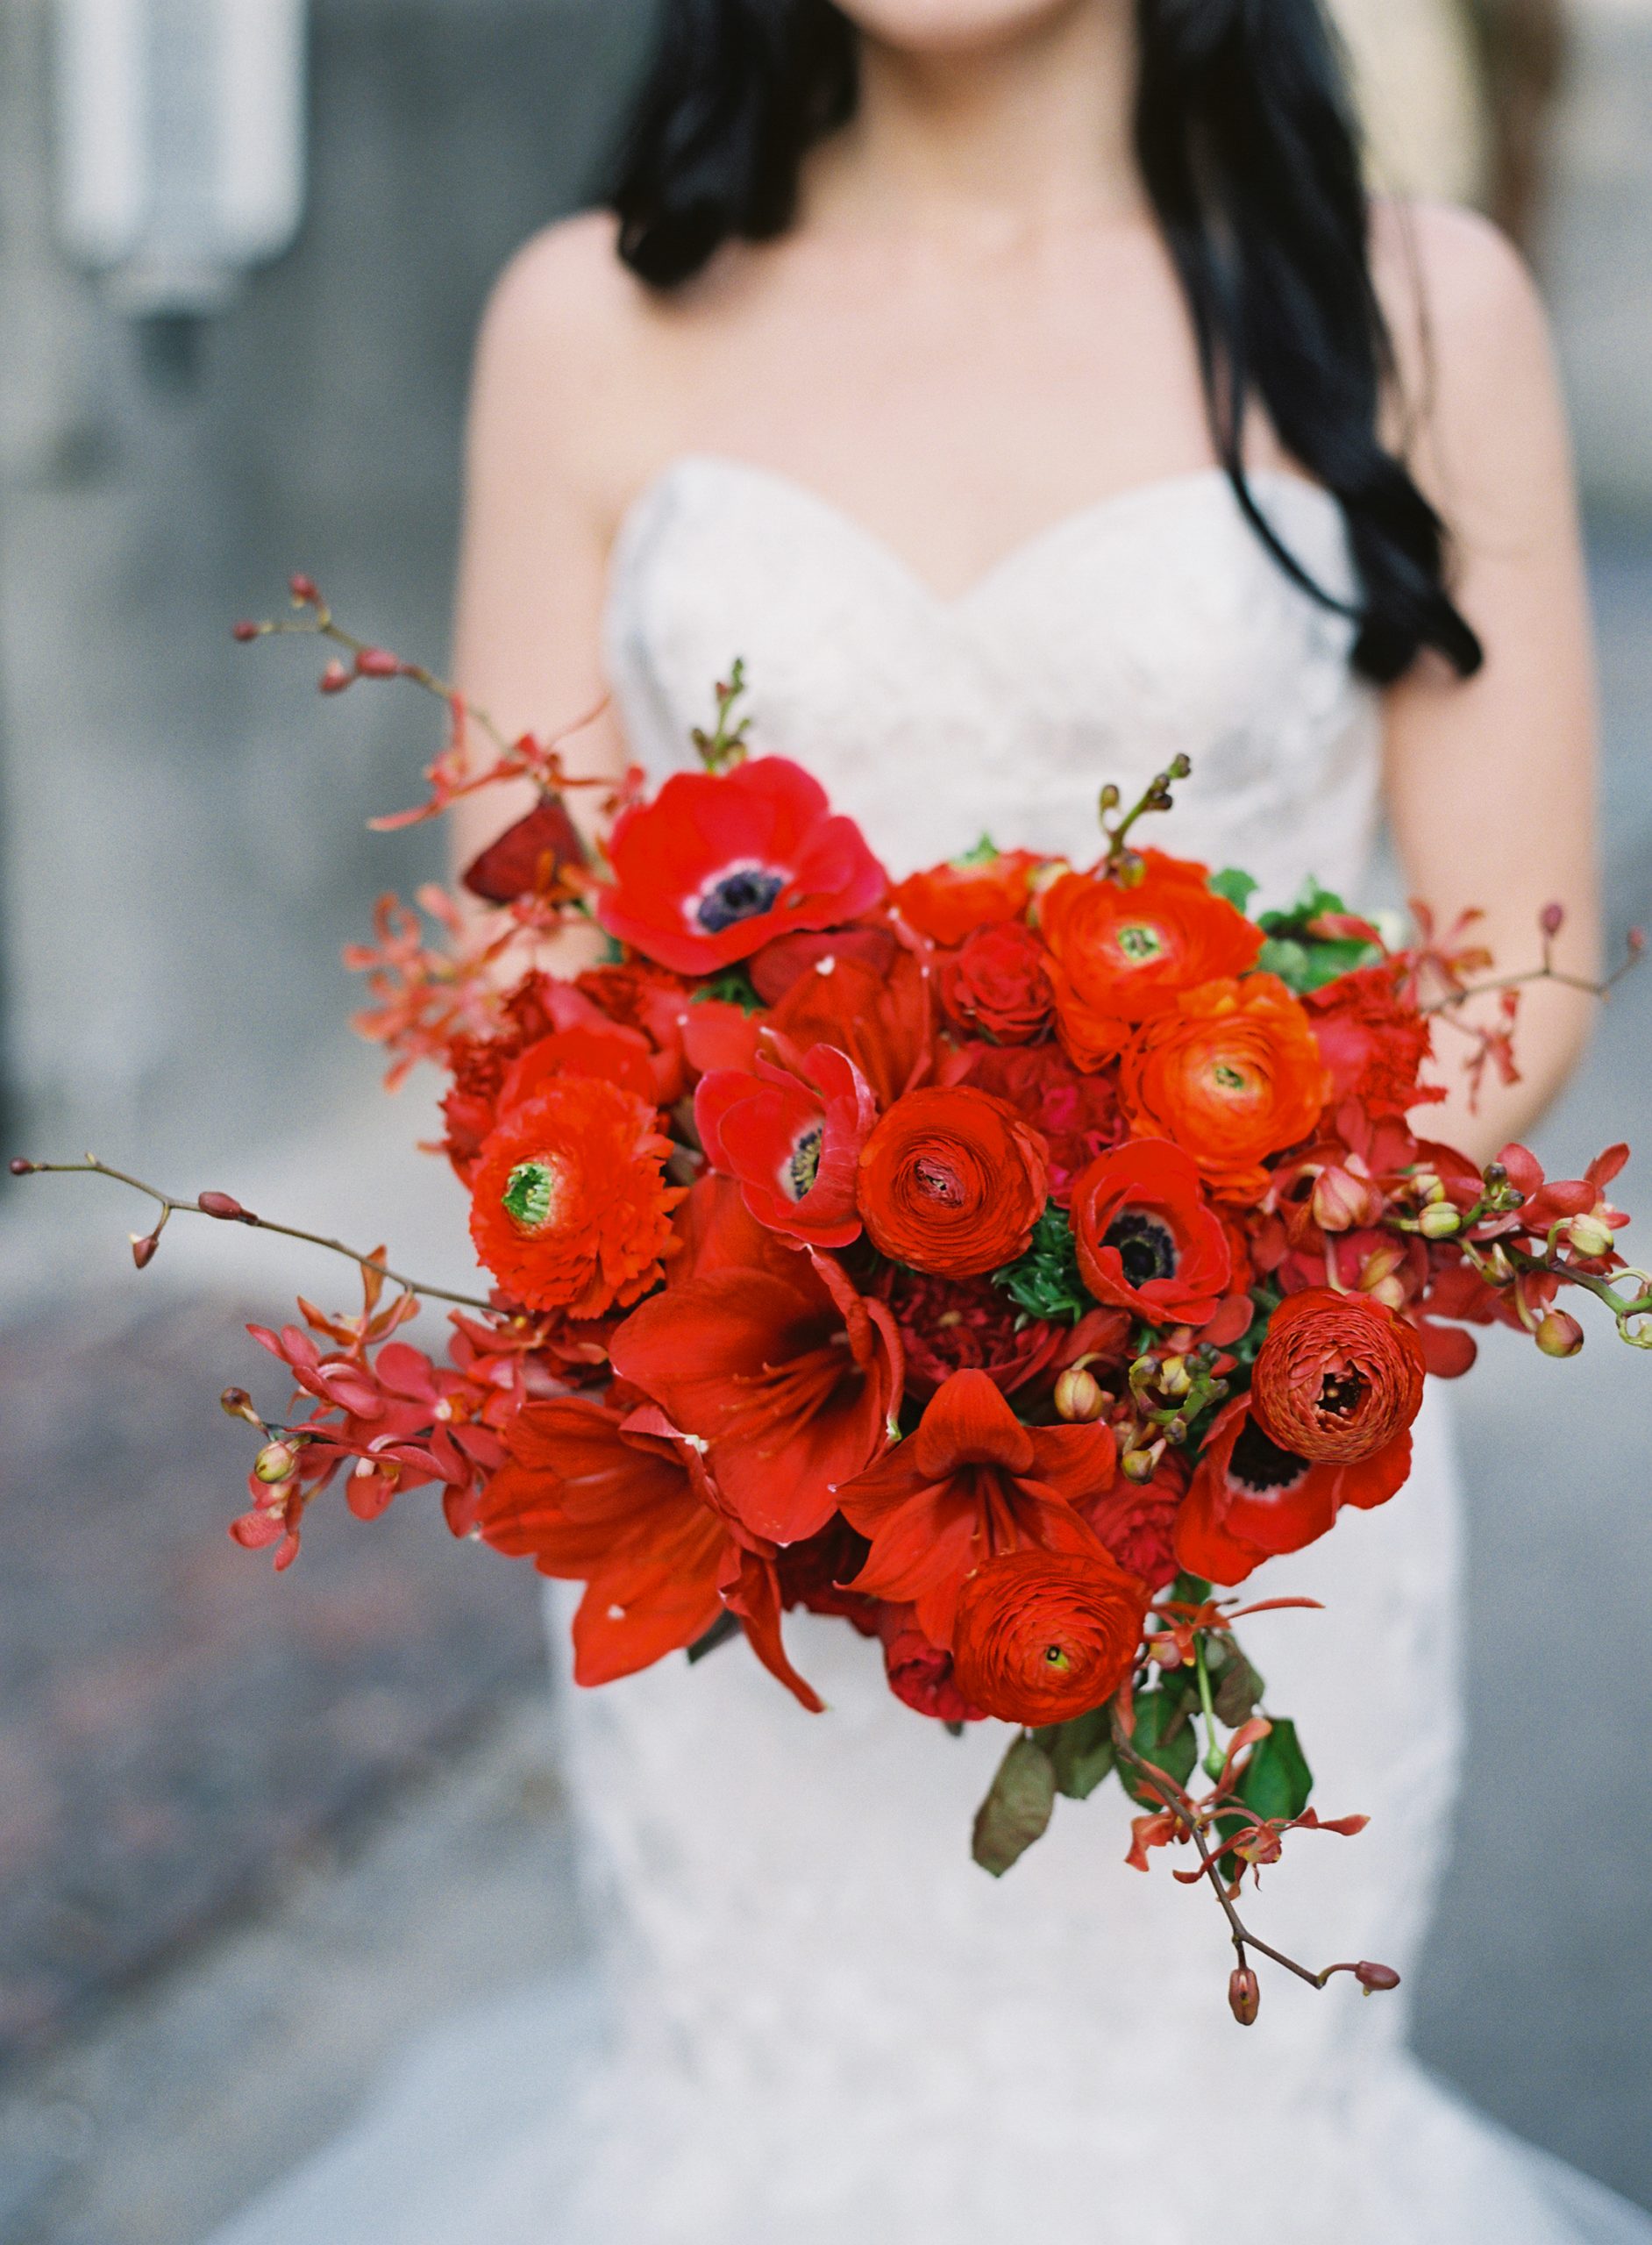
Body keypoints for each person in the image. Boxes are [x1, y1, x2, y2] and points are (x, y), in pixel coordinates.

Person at [211, 3, 1646, 2241]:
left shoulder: (1412, 304)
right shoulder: (590, 316)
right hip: (750, 1494)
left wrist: (1157, 1324)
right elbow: (518, 966)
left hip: (1229, 1466)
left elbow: (1517, 957)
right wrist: (805, 1326)